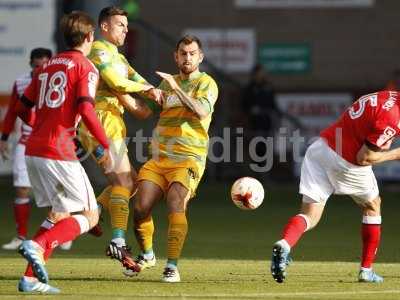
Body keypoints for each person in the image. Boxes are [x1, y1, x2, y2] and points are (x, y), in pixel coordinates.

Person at [14, 11, 121, 293]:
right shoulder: (85, 66)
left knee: (59, 214)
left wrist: (40, 128)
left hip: (33, 149)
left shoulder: (46, 67)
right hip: (58, 150)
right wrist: (105, 145)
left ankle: (30, 280)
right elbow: (86, 108)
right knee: (91, 214)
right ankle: (38, 244)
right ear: (89, 36)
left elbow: (21, 107)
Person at [114, 35, 218, 282]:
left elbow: (201, 110)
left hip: (188, 158)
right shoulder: (166, 85)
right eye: (183, 53)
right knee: (140, 207)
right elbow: (146, 109)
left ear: (200, 57)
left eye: (192, 53)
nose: (188, 57)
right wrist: (119, 92)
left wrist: (177, 87)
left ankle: (172, 266)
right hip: (160, 158)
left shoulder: (207, 83)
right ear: (176, 56)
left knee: (176, 201)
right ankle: (148, 255)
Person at [270, 91, 400, 284]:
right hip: (347, 161)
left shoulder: (388, 95)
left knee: (310, 216)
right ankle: (366, 270)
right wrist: (396, 154)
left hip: (321, 149)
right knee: (373, 206)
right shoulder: (392, 118)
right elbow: (364, 158)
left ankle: (285, 243)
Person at [78, 6, 162, 265]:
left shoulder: (121, 59)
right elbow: (116, 82)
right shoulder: (98, 50)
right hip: (99, 121)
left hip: (112, 123)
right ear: (104, 27)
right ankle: (117, 241)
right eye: (119, 25)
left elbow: (141, 94)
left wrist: (167, 95)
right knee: (124, 182)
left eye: (127, 25)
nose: (126, 29)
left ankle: (97, 210)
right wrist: (148, 91)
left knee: (131, 183)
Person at [0, 48, 55, 250]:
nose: (41, 67)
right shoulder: (21, 82)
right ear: (31, 63)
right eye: (37, 63)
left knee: (52, 191)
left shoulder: (56, 81)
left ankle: (57, 233)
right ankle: (21, 237)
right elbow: (13, 112)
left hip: (49, 143)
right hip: (25, 143)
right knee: (22, 189)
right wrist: (4, 137)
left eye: (44, 63)